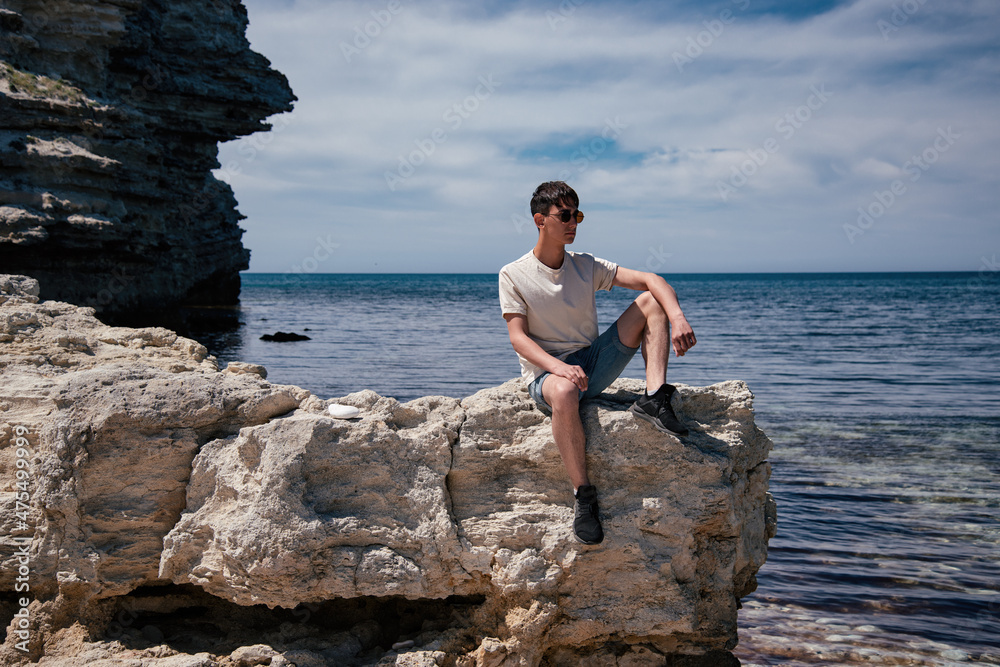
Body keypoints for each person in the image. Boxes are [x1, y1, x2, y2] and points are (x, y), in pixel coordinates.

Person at [498, 181, 697, 545]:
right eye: (566, 215)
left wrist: (678, 317)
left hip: (592, 365)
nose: (574, 222)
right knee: (563, 390)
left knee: (651, 301)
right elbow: (518, 338)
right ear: (540, 220)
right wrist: (558, 368)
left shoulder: (585, 265)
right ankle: (583, 496)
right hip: (548, 374)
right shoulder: (513, 273)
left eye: (579, 215)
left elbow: (651, 279)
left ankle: (654, 396)